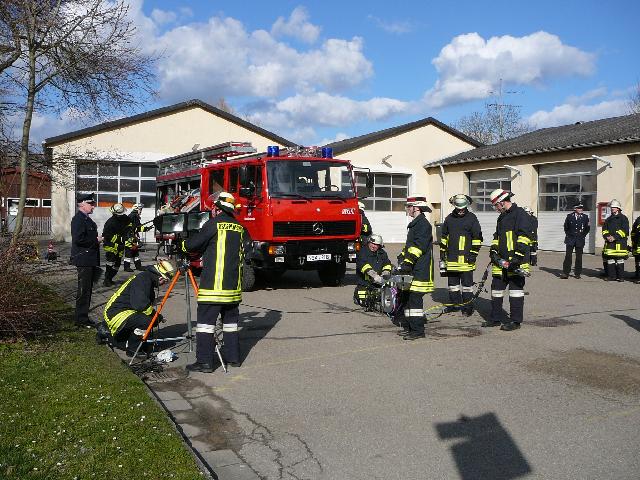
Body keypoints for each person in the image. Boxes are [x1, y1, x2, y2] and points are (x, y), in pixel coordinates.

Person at [182, 192, 245, 372]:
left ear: (217, 208)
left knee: (205, 325)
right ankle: (233, 358)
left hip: (213, 289)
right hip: (233, 290)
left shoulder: (213, 224)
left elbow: (193, 245)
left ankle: (205, 362)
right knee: (230, 325)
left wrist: (183, 243)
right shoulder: (239, 227)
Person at [97, 260, 174, 356]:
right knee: (147, 321)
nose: (163, 284)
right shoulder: (143, 280)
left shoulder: (146, 278)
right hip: (116, 313)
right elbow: (141, 305)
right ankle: (132, 349)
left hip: (122, 311)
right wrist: (155, 315)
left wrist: (156, 316)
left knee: (149, 320)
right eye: (165, 281)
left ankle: (133, 341)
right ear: (160, 277)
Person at [485, 189, 532, 331]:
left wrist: (517, 258)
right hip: (501, 262)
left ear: (501, 202)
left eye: (496, 205)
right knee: (496, 290)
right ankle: (495, 318)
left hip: (516, 262)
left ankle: (515, 321)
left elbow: (524, 237)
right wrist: (493, 251)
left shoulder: (520, 214)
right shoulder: (502, 217)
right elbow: (497, 237)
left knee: (515, 292)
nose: (496, 209)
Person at [396, 196, 435, 340]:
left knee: (415, 301)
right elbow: (410, 246)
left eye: (409, 206)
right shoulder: (415, 224)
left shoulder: (423, 225)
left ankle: (418, 331)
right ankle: (410, 327)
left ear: (416, 208)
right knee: (407, 298)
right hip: (413, 268)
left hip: (420, 269)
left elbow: (418, 247)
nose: (407, 209)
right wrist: (402, 257)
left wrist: (408, 263)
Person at [440, 194, 483, 316]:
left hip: (466, 260)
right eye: (458, 209)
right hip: (452, 259)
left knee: (467, 286)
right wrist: (442, 252)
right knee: (453, 286)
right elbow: (444, 237)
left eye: (462, 209)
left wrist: (473, 254)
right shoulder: (449, 219)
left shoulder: (472, 218)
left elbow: (477, 238)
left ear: (466, 206)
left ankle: (468, 307)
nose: (460, 211)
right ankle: (455, 305)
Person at [70, 193, 102, 327]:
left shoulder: (86, 219)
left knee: (87, 290)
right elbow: (78, 239)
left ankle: (83, 317)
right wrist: (95, 240)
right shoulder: (78, 219)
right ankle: (81, 319)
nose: (93, 206)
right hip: (84, 260)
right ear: (82, 204)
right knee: (84, 291)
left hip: (89, 259)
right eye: (91, 204)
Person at [354, 234, 392, 307]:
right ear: (369, 242)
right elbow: (363, 265)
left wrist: (385, 273)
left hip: (378, 283)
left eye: (376, 245)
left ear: (380, 246)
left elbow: (387, 264)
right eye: (372, 244)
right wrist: (374, 276)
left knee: (381, 301)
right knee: (365, 303)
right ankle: (357, 296)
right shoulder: (362, 252)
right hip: (365, 283)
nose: (374, 246)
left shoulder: (382, 253)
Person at [102, 203, 130, 287]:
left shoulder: (124, 218)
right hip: (110, 246)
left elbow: (130, 224)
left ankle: (110, 278)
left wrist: (130, 231)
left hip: (120, 246)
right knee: (110, 263)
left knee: (117, 265)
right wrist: (120, 239)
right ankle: (107, 280)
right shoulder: (110, 223)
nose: (120, 215)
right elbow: (107, 236)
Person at [602, 199, 629, 282]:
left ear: (618, 208)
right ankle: (612, 276)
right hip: (610, 243)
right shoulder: (608, 219)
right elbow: (604, 230)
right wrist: (607, 236)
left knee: (619, 260)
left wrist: (614, 237)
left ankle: (621, 277)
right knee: (610, 259)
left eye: (614, 207)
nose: (612, 209)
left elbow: (625, 231)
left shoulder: (623, 218)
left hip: (620, 243)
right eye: (611, 207)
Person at [560, 203, 590, 279]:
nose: (580, 209)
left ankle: (577, 273)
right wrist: (569, 235)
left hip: (580, 239)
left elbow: (587, 228)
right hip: (570, 239)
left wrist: (583, 235)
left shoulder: (585, 217)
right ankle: (566, 273)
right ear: (575, 209)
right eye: (579, 208)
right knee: (568, 256)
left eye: (581, 208)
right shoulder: (569, 216)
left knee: (579, 257)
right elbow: (566, 227)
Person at [124, 203, 153, 271]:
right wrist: (130, 236)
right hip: (129, 237)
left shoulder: (135, 216)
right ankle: (127, 267)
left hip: (133, 237)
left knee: (135, 252)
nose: (141, 211)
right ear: (137, 209)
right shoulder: (133, 216)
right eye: (140, 209)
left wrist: (146, 228)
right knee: (129, 253)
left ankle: (138, 266)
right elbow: (132, 228)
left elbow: (138, 227)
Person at [631, 215, 640, 283]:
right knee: (637, 260)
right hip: (637, 244)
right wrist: (634, 241)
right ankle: (637, 275)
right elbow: (633, 231)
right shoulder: (638, 219)